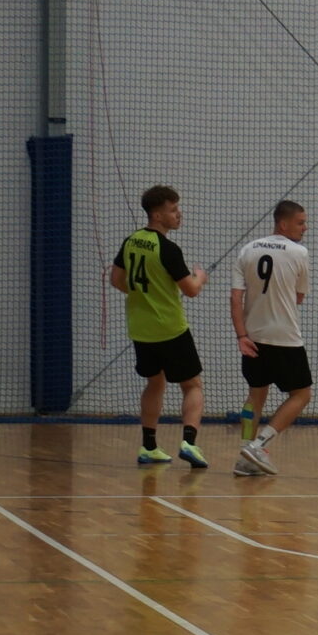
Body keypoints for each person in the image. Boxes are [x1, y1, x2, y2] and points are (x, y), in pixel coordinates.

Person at [107, 184, 210, 468]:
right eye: (173, 210)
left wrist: (144, 295)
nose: (179, 214)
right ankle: (189, 443)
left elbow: (116, 280)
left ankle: (149, 447)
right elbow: (191, 290)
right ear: (156, 215)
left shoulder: (131, 241)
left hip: (141, 330)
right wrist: (200, 276)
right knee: (192, 385)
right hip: (170, 329)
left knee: (155, 382)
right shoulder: (168, 249)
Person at [229, 200, 312, 478]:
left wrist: (241, 335)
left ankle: (245, 455)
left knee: (255, 395)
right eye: (300, 222)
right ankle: (259, 445)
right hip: (285, 337)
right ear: (283, 224)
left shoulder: (247, 249)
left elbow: (235, 298)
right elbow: (299, 297)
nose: (305, 227)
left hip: (253, 337)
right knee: (302, 394)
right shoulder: (299, 252)